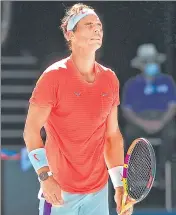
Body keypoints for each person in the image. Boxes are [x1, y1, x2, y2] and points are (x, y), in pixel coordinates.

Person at [23, 3, 133, 215]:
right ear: (69, 34)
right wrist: (45, 177)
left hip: (98, 191)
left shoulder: (110, 79)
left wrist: (120, 186)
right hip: (59, 192)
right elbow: (31, 131)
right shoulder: (53, 77)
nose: (97, 29)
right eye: (89, 25)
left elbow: (112, 137)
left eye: (99, 25)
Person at [121, 43, 176, 186]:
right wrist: (143, 123)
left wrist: (161, 122)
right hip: (140, 120)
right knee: (130, 133)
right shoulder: (132, 84)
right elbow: (127, 110)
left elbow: (172, 106)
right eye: (146, 61)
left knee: (171, 133)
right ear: (140, 65)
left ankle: (162, 172)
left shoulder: (167, 81)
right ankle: (140, 173)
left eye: (152, 60)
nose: (150, 64)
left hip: (162, 118)